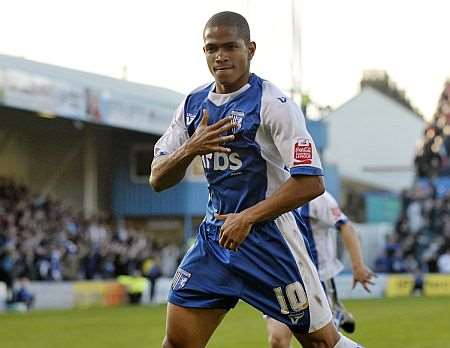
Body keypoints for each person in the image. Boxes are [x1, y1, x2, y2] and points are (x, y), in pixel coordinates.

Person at [150, 11, 364, 348]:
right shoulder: (192, 106)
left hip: (270, 241)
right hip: (215, 240)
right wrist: (191, 148)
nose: (220, 56)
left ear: (250, 49)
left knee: (321, 344)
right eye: (211, 48)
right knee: (177, 343)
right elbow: (158, 178)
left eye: (230, 47)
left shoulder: (274, 104)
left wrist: (247, 217)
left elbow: (311, 182)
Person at [266, 191, 375, 348]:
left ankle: (336, 312)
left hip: (317, 281)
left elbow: (345, 226)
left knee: (324, 343)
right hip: (281, 277)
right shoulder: (267, 190)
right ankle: (338, 313)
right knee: (278, 340)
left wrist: (358, 266)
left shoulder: (317, 197)